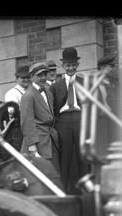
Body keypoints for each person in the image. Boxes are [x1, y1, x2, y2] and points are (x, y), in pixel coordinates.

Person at [50, 47, 88, 194]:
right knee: (65, 157)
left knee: (82, 155)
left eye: (73, 65)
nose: (71, 68)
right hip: (63, 121)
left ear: (77, 65)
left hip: (80, 119)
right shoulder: (55, 86)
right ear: (63, 66)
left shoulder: (84, 82)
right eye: (68, 65)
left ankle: (86, 190)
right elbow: (53, 108)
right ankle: (64, 189)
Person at [20, 62, 61, 174]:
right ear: (32, 77)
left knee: (54, 172)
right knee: (41, 174)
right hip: (38, 143)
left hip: (50, 140)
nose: (43, 78)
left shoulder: (48, 91)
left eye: (45, 74)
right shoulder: (28, 95)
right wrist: (32, 145)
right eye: (39, 75)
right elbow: (27, 122)